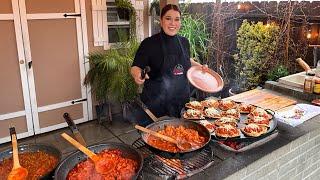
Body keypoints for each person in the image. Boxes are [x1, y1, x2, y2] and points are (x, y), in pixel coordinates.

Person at [131, 4, 205, 126]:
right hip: (156, 106)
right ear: (161, 21)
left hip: (181, 102)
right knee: (157, 140)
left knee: (181, 136)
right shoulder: (149, 43)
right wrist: (137, 75)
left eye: (177, 19)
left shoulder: (184, 42)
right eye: (168, 18)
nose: (173, 23)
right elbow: (135, 67)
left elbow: (187, 60)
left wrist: (199, 67)